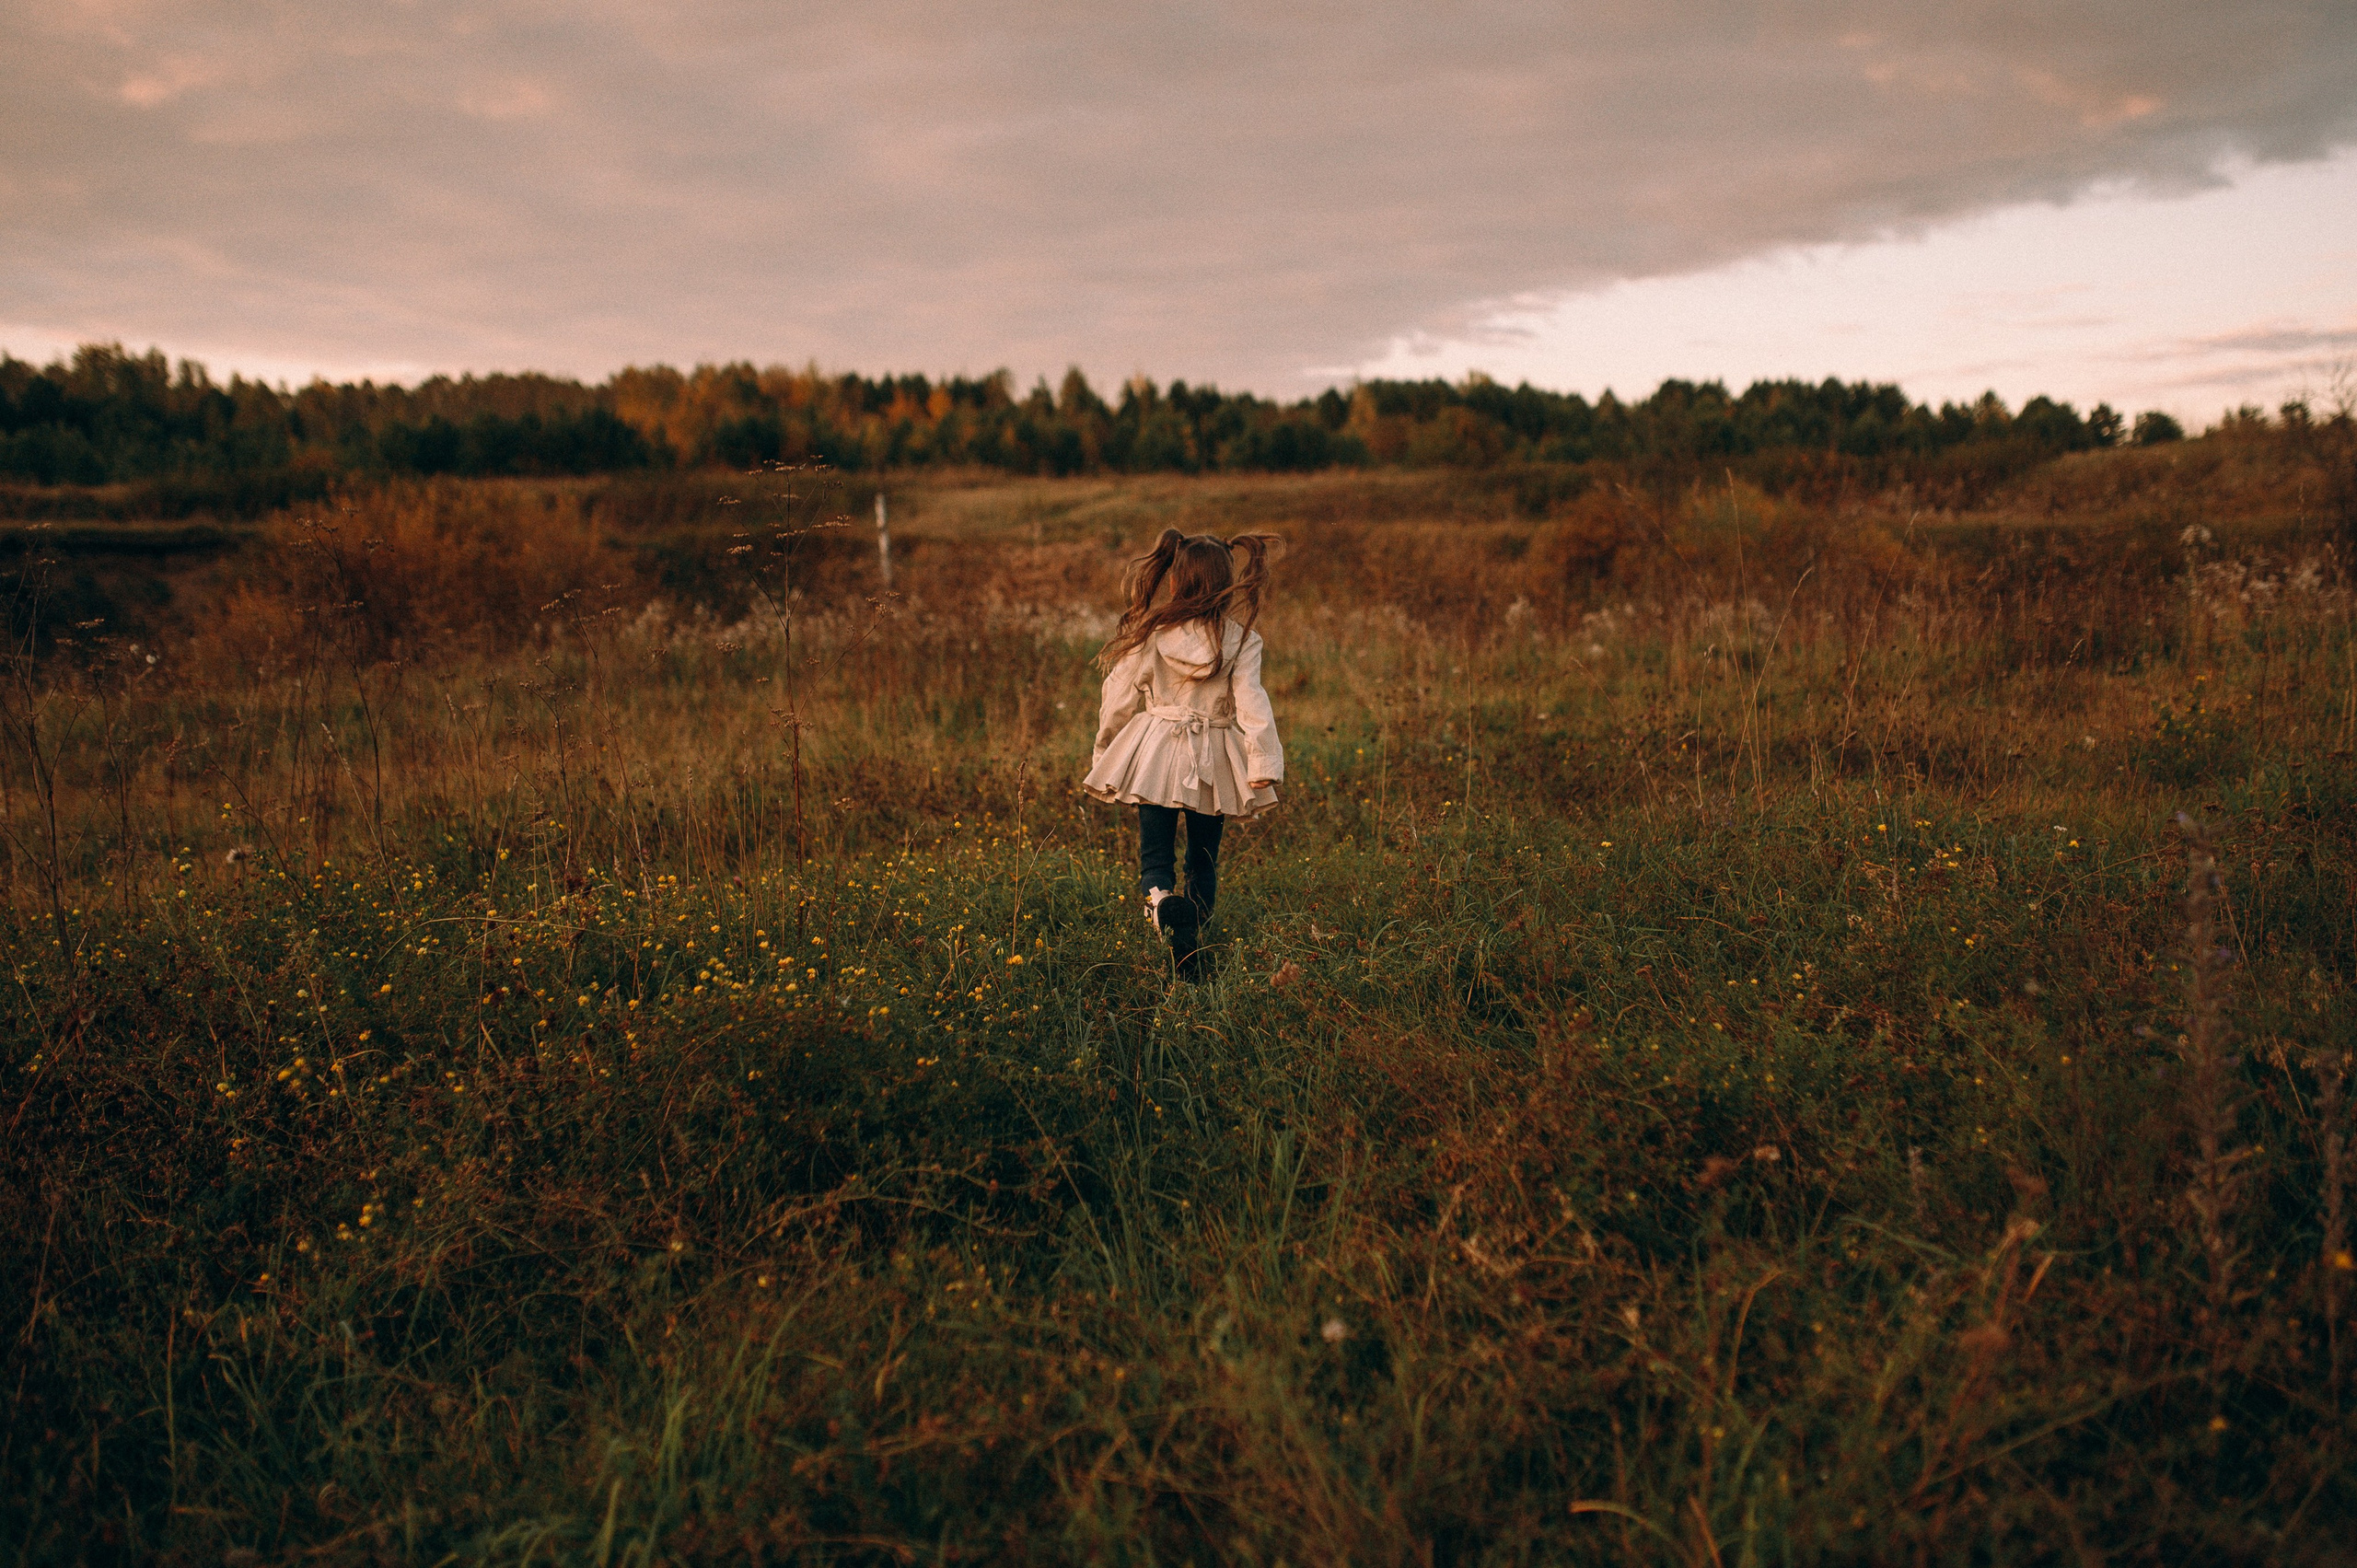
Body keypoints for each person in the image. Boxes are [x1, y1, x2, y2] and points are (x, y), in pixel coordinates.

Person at [1083, 528, 1283, 978]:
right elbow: (1253, 703)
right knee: (1203, 860)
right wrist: (1262, 763)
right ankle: (1191, 945)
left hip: (1154, 753)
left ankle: (1161, 907)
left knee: (1155, 857)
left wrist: (1105, 752)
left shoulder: (1151, 633)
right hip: (1213, 758)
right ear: (1224, 584)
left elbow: (1116, 698)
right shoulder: (1242, 640)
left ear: (1176, 582)